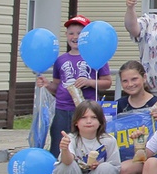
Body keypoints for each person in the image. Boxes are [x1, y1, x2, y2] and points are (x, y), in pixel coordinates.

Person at [38, 15, 112, 157]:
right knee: (59, 145)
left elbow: (107, 82)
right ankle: (58, 172)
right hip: (62, 109)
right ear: (66, 35)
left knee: (85, 146)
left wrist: (89, 82)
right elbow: (57, 87)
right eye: (71, 33)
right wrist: (47, 85)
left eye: (79, 33)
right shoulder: (60, 60)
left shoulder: (96, 56)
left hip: (86, 111)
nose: (75, 37)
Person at [46, 100, 119, 174]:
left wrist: (100, 166)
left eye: (94, 117)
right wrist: (64, 149)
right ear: (76, 122)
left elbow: (116, 168)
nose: (89, 121)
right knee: (66, 166)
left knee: (107, 168)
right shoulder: (70, 139)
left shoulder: (109, 140)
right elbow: (67, 162)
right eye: (84, 117)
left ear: (101, 121)